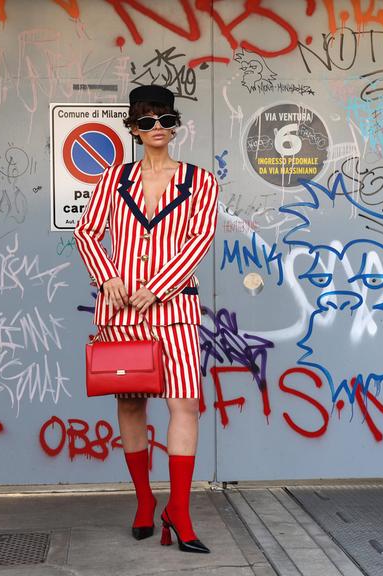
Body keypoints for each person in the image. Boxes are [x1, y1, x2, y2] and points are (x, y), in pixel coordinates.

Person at [74, 85, 219, 554]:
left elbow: (200, 239)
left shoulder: (200, 182)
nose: (159, 129)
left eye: (167, 120)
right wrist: (107, 276)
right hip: (120, 313)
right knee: (132, 405)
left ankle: (179, 509)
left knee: (185, 406)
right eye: (148, 121)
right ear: (133, 129)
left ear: (176, 125)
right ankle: (143, 500)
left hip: (174, 309)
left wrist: (156, 288)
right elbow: (86, 232)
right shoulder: (113, 180)